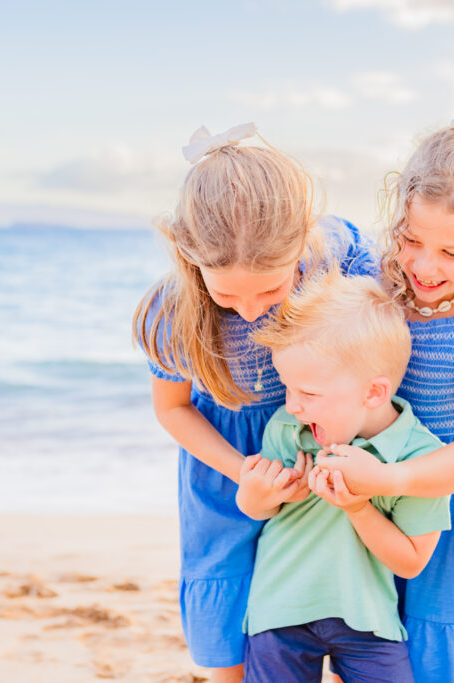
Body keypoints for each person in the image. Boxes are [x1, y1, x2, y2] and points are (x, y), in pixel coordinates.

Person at [132, 123, 377, 683]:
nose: (248, 310)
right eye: (226, 294)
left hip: (320, 447)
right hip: (227, 464)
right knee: (229, 590)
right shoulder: (173, 311)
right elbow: (172, 408)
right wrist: (244, 472)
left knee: (335, 589)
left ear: (302, 245)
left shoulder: (337, 257)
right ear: (190, 260)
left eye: (270, 290)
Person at [315, 119, 454, 682]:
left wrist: (391, 481)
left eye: (453, 252)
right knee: (366, 636)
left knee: (440, 649)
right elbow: (319, 232)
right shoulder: (376, 277)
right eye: (412, 240)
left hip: (450, 498)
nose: (425, 266)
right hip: (370, 489)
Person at [237, 271, 451, 683]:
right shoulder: (287, 429)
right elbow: (253, 510)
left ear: (372, 393)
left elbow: (410, 563)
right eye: (287, 388)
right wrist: (256, 493)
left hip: (367, 618)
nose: (294, 406)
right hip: (279, 608)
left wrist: (357, 506)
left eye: (309, 394)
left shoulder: (420, 458)